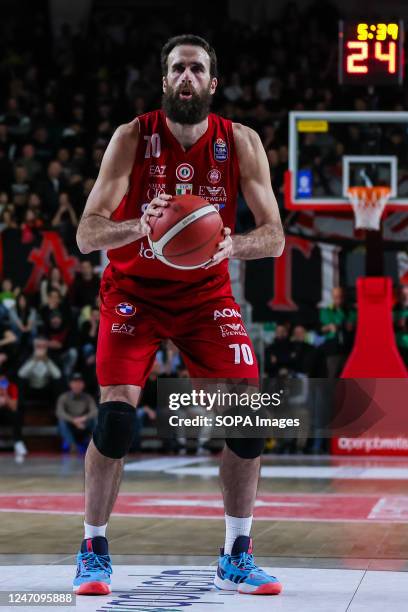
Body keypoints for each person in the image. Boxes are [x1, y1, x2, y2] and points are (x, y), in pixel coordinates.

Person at [73, 34, 284, 597]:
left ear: (212, 83)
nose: (185, 77)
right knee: (117, 419)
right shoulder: (131, 137)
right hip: (133, 294)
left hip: (205, 296)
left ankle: (236, 553)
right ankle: (93, 548)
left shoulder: (241, 141)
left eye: (196, 69)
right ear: (164, 81)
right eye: (176, 69)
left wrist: (234, 245)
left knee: (248, 418)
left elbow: (276, 237)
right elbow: (87, 233)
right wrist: (138, 226)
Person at [56, 373, 97, 454]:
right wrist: (73, 420)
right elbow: (59, 412)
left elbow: (94, 411)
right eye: (75, 382)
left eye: (80, 382)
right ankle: (72, 446)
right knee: (61, 422)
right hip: (70, 425)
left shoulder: (88, 398)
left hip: (84, 424)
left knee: (96, 419)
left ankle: (95, 444)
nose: (77, 385)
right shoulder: (64, 397)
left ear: (83, 384)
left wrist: (83, 418)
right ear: (70, 384)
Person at [0, 372, 27, 461]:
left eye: (3, 380)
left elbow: (14, 407)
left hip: (8, 413)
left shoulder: (12, 387)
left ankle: (18, 442)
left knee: (17, 414)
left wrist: (5, 394)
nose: (2, 382)